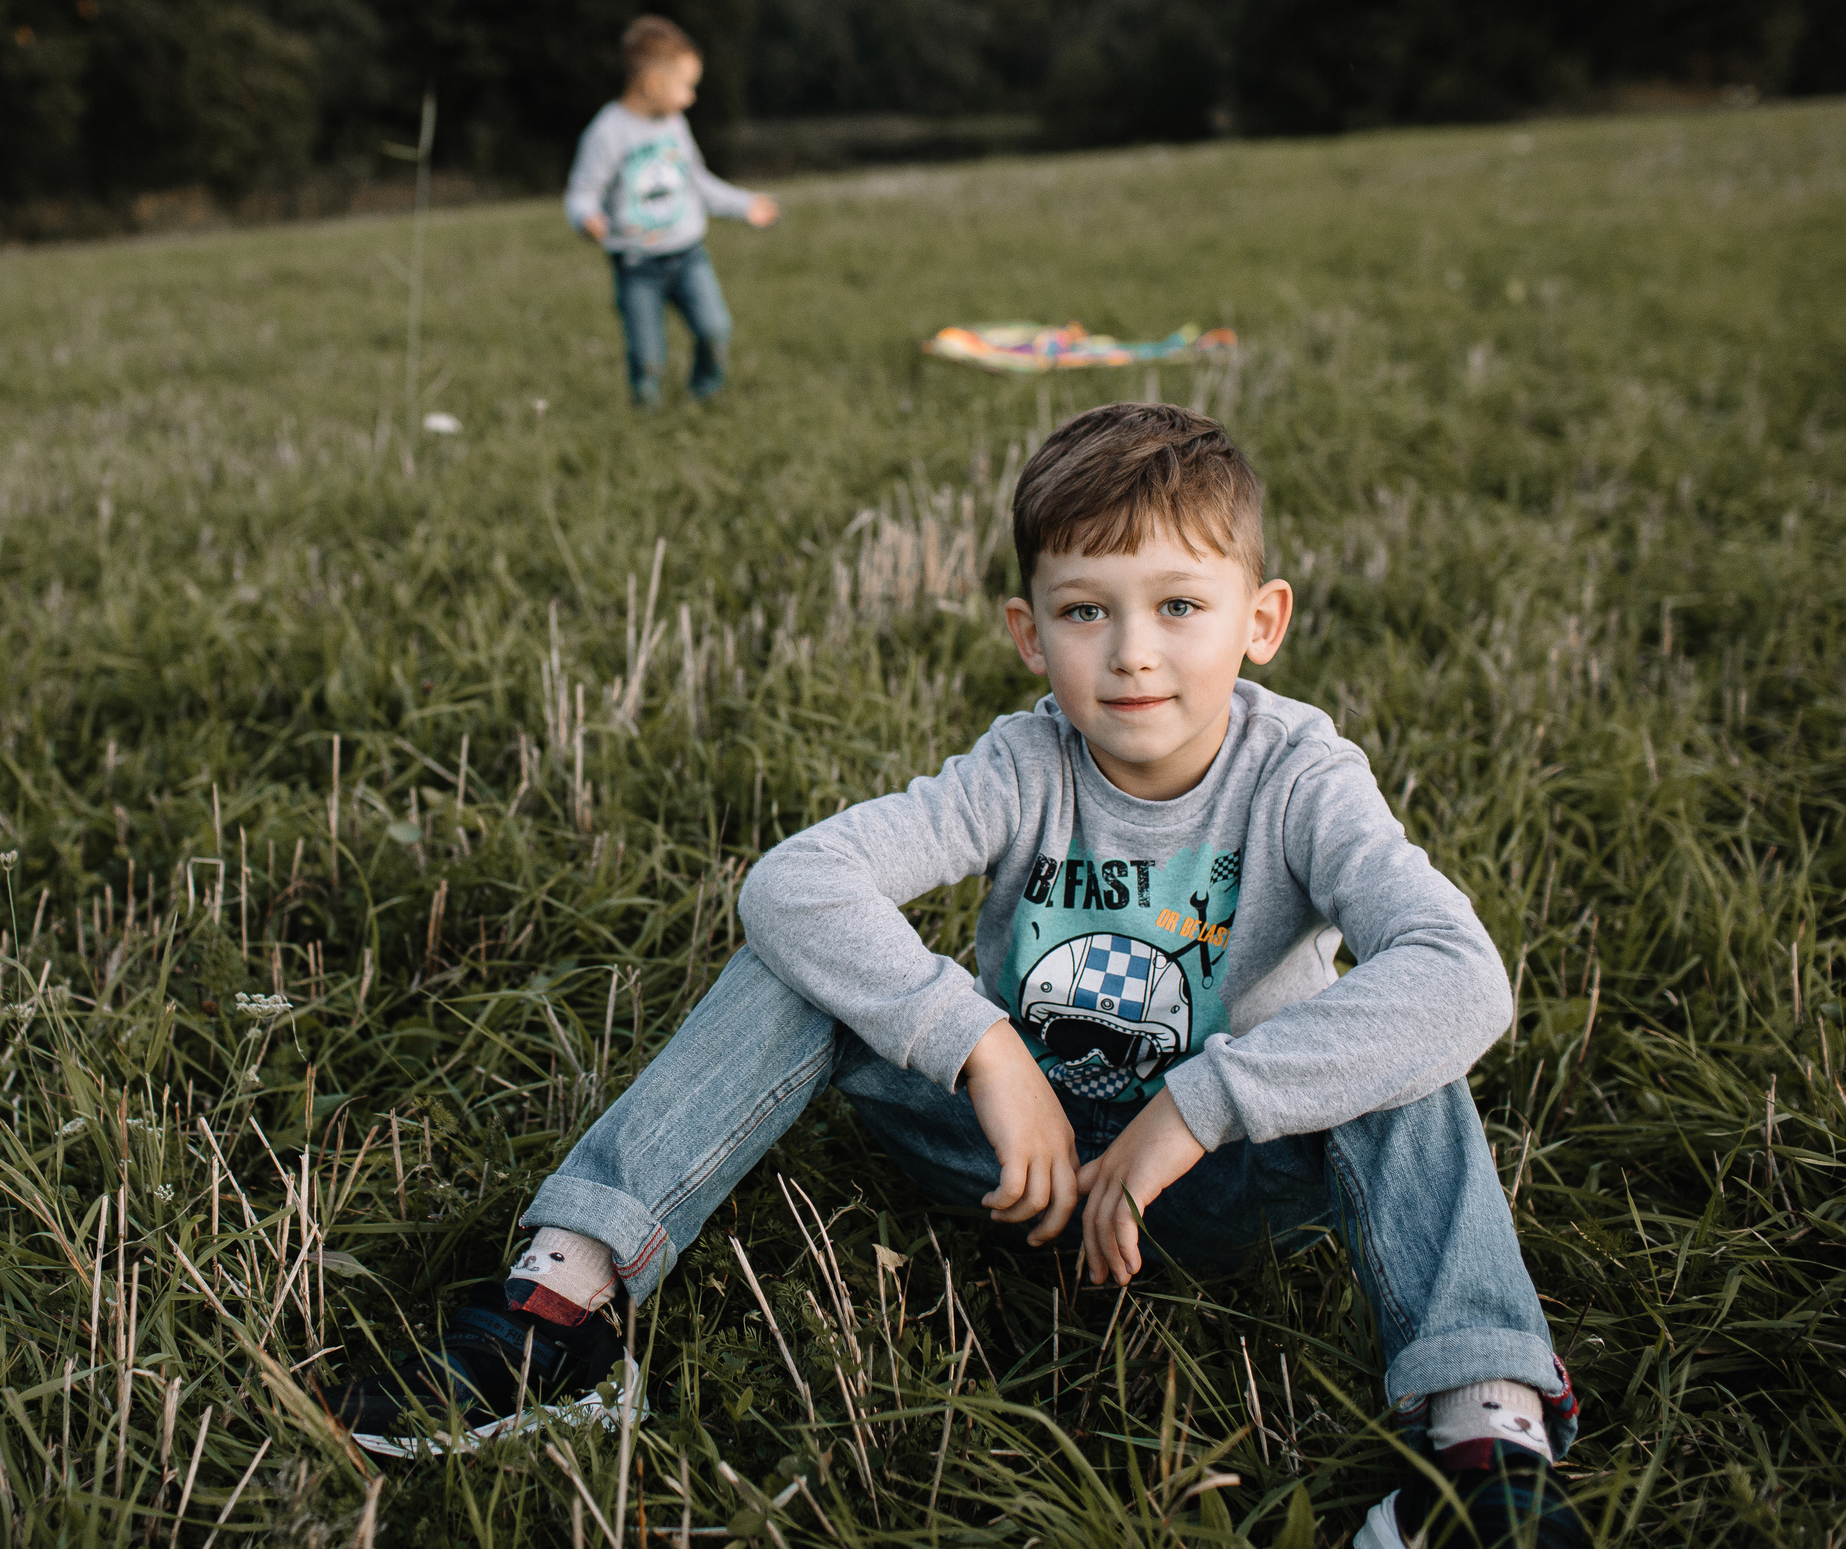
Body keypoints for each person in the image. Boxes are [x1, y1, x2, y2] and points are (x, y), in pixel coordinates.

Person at [335, 404, 1585, 1548]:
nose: (1133, 655)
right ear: (1027, 634)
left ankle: (1481, 1437)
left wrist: (1199, 1109)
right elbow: (792, 883)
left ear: (1261, 621)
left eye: (1180, 608)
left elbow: (1462, 977)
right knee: (799, 963)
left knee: (1406, 1052)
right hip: (1007, 1156)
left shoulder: (1300, 777)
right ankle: (568, 1303)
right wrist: (981, 1047)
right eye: (1086, 611)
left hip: (1213, 1184)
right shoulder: (1020, 764)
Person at [563, 15, 778, 407]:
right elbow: (581, 192)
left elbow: (698, 181)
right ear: (652, 82)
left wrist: (744, 205)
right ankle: (645, 420)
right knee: (647, 359)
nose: (690, 97)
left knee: (715, 330)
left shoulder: (675, 125)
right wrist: (586, 217)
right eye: (686, 86)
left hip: (689, 256)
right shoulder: (607, 132)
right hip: (636, 265)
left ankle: (704, 396)